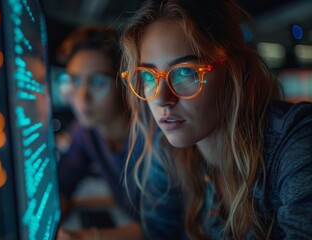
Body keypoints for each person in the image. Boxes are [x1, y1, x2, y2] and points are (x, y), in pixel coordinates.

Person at [119, 0, 312, 239]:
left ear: (234, 71)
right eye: (148, 75)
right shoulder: (166, 150)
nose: (161, 99)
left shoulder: (297, 144)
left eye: (184, 72)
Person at [55, 25, 142, 240]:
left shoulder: (152, 135)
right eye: (75, 81)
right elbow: (63, 185)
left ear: (124, 84)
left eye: (97, 82)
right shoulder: (84, 132)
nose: (82, 98)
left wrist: (88, 237)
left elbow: (168, 227)